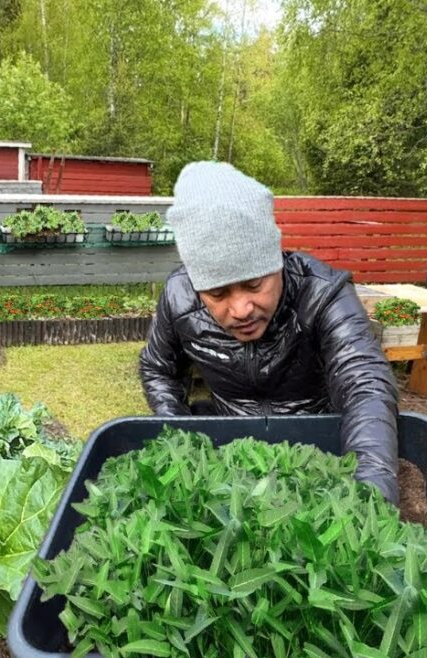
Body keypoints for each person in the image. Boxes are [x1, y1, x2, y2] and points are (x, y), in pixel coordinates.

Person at [138, 161, 400, 504]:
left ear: (276, 261)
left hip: (317, 447)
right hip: (230, 448)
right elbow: (158, 369)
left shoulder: (322, 292)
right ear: (198, 286)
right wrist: (178, 439)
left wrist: (371, 492)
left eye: (254, 284)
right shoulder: (178, 296)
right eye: (217, 294)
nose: (241, 309)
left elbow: (364, 382)